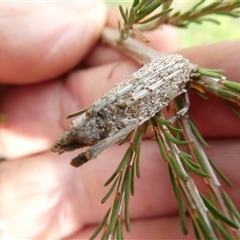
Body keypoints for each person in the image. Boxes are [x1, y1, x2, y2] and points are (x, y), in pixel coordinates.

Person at [0, 2, 239, 239]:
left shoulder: (174, 74)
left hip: (111, 113)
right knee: (104, 121)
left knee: (105, 121)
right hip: (107, 114)